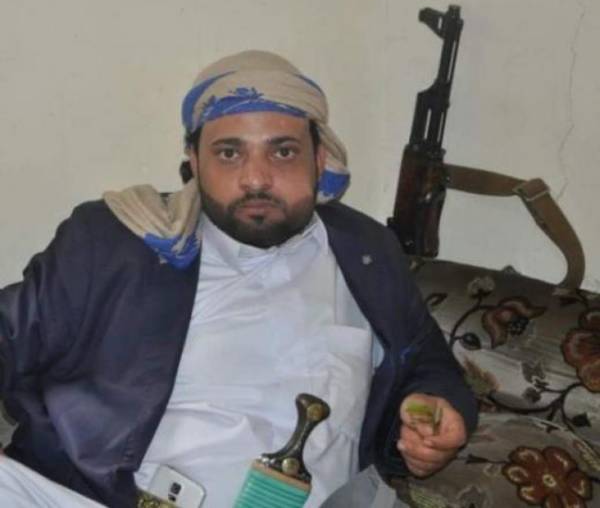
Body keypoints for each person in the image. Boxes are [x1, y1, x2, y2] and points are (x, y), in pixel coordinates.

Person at [0, 50, 477, 507]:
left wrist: (435, 415)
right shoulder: (122, 239)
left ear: (319, 158)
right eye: (229, 153)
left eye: (283, 151)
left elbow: (428, 362)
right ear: (194, 161)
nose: (256, 179)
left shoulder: (368, 253)